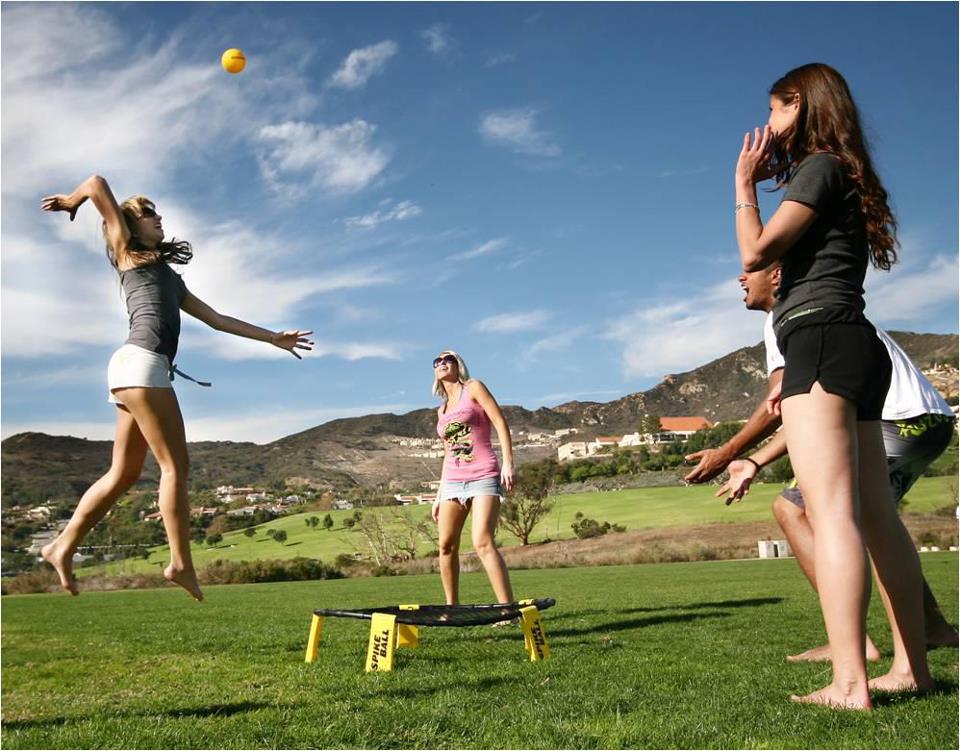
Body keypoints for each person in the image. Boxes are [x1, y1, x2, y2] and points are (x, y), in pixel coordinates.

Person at [732, 63, 932, 709]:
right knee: (876, 515)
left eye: (777, 107)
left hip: (820, 339)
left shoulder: (818, 167)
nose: (768, 122)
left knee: (834, 512)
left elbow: (756, 254)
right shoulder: (838, 169)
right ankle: (911, 669)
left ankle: (850, 682)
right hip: (854, 342)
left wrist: (742, 184)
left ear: (803, 104)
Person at [39, 175, 313, 600]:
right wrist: (73, 201)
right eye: (148, 213)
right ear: (130, 224)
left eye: (156, 212)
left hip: (134, 368)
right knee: (174, 468)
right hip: (143, 363)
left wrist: (272, 337)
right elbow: (96, 183)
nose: (158, 217)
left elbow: (217, 319)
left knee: (124, 473)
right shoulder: (126, 251)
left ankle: (61, 546)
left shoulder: (170, 277)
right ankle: (180, 563)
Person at [703, 262, 958, 662]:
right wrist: (755, 460)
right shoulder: (828, 307)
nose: (741, 278)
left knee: (793, 509)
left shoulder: (788, 315)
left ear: (777, 275)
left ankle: (855, 644)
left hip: (894, 422)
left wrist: (727, 453)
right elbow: (811, 410)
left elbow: (783, 406)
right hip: (928, 421)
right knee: (876, 523)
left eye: (752, 269)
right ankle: (933, 627)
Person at [430, 350, 516, 613]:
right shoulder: (441, 410)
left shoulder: (474, 388)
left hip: (483, 474)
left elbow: (500, 422)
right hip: (453, 482)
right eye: (437, 361)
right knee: (446, 546)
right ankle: (452, 609)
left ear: (459, 365)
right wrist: (439, 495)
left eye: (448, 359)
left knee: (482, 542)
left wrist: (508, 462)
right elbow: (447, 453)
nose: (442, 363)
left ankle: (507, 610)